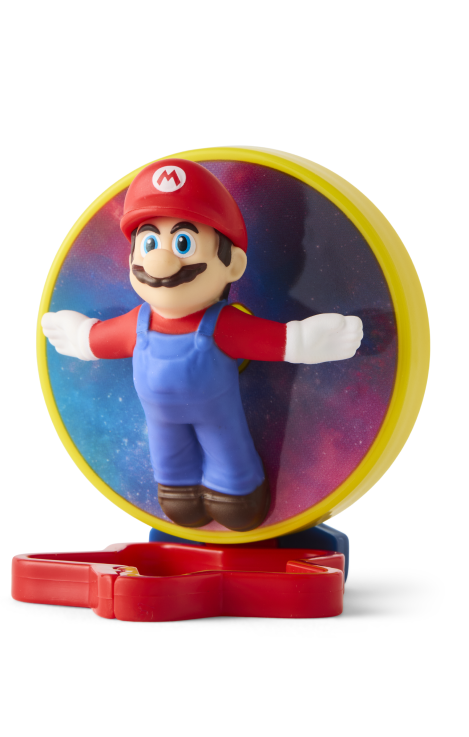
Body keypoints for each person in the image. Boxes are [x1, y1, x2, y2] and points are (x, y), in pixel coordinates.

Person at [42, 159, 363, 531]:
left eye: (183, 243)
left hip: (217, 414)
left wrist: (307, 341)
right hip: (160, 419)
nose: (159, 261)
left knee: (226, 448)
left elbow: (274, 340)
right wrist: (79, 336)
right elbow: (101, 338)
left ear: (233, 264)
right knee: (169, 459)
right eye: (149, 242)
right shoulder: (137, 322)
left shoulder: (223, 324)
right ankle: (178, 490)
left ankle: (236, 492)